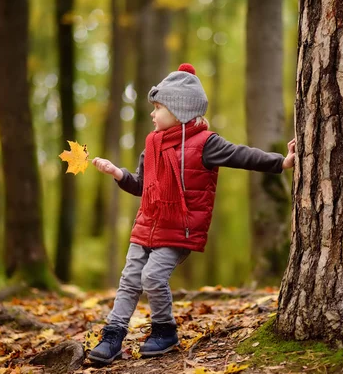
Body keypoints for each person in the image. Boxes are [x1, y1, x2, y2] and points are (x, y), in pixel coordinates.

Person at [88, 63, 295, 364]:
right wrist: (119, 173)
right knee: (130, 279)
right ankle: (113, 336)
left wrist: (281, 162)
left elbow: (242, 155)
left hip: (178, 230)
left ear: (179, 110)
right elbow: (142, 187)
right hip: (146, 225)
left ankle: (164, 330)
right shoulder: (152, 145)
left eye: (157, 107)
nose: (152, 114)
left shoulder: (205, 144)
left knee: (152, 277)